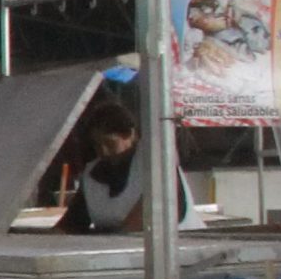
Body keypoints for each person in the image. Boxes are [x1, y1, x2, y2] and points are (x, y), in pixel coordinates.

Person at [56, 101, 194, 235]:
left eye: (110, 143)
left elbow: (156, 211)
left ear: (130, 134)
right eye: (97, 145)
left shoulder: (154, 158)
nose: (103, 151)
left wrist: (114, 239)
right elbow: (72, 224)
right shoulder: (93, 176)